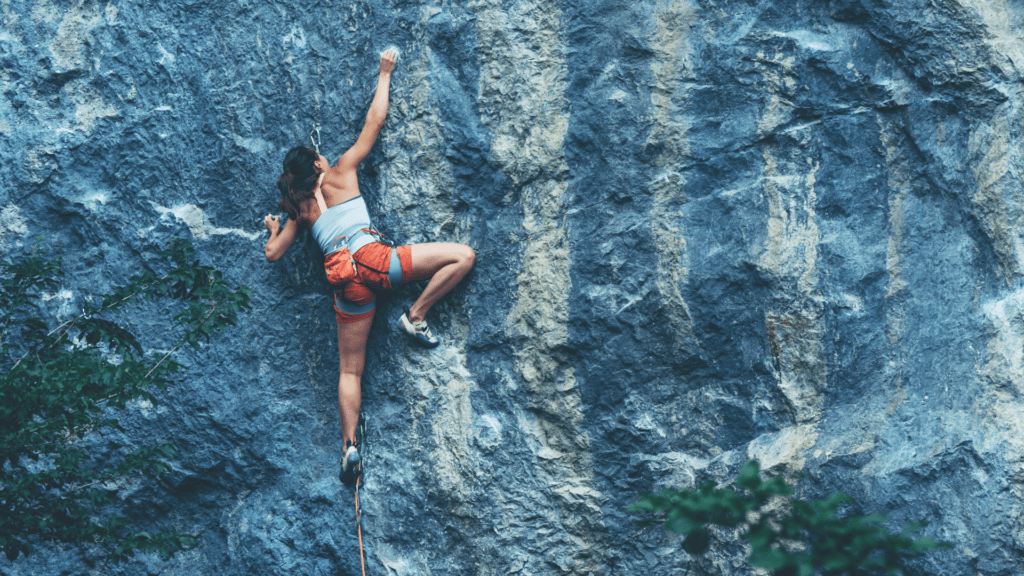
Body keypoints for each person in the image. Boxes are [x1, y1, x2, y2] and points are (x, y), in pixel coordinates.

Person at [263, 48, 475, 484]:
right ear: (318, 165)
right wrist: (384, 72)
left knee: (349, 370)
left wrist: (273, 227)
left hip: (347, 285)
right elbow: (373, 123)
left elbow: (274, 254)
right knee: (463, 256)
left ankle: (350, 447)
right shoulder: (342, 171)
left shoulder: (297, 209)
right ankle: (415, 316)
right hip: (375, 262)